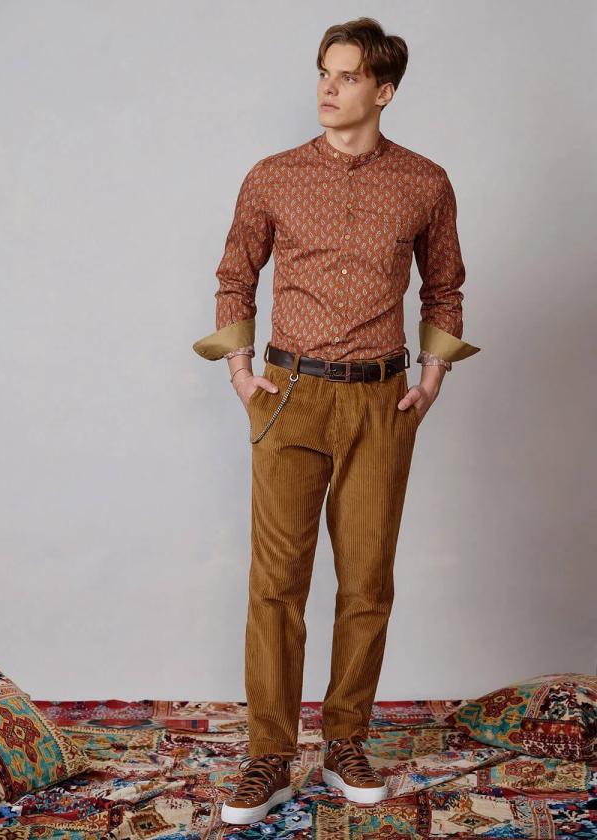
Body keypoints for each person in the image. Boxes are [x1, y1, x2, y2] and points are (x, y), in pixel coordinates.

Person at [193, 16, 480, 826]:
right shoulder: (273, 177)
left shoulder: (425, 182)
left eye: (348, 76)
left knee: (366, 582)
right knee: (276, 585)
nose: (328, 87)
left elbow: (445, 286)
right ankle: (269, 756)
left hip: (380, 402)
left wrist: (433, 377)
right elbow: (234, 274)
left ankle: (346, 740)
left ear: (383, 91)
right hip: (289, 397)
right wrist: (241, 373)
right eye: (324, 71)